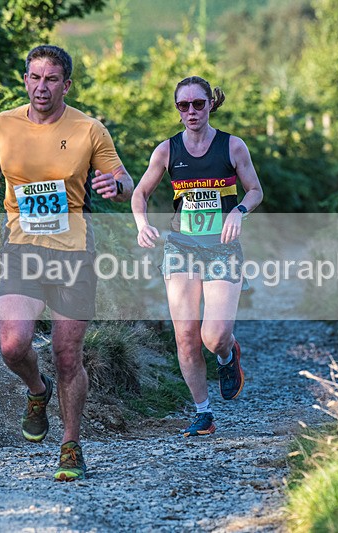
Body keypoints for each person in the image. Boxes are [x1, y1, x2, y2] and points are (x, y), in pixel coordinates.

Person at [0, 44, 133, 480]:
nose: (42, 88)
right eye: (35, 78)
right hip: (22, 249)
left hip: (74, 253)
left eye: (52, 79)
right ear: (25, 80)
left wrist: (116, 187)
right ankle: (36, 391)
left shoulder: (89, 129)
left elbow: (124, 178)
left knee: (66, 355)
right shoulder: (4, 123)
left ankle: (70, 445)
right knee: (12, 345)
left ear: (67, 84)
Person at [131, 76, 263, 437]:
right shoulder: (167, 151)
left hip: (222, 248)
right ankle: (203, 413)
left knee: (214, 336)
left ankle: (227, 353)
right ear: (177, 110)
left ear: (210, 104)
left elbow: (254, 190)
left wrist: (238, 212)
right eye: (183, 105)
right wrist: (141, 225)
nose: (191, 111)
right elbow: (139, 194)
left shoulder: (232, 147)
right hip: (181, 247)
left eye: (197, 104)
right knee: (186, 336)